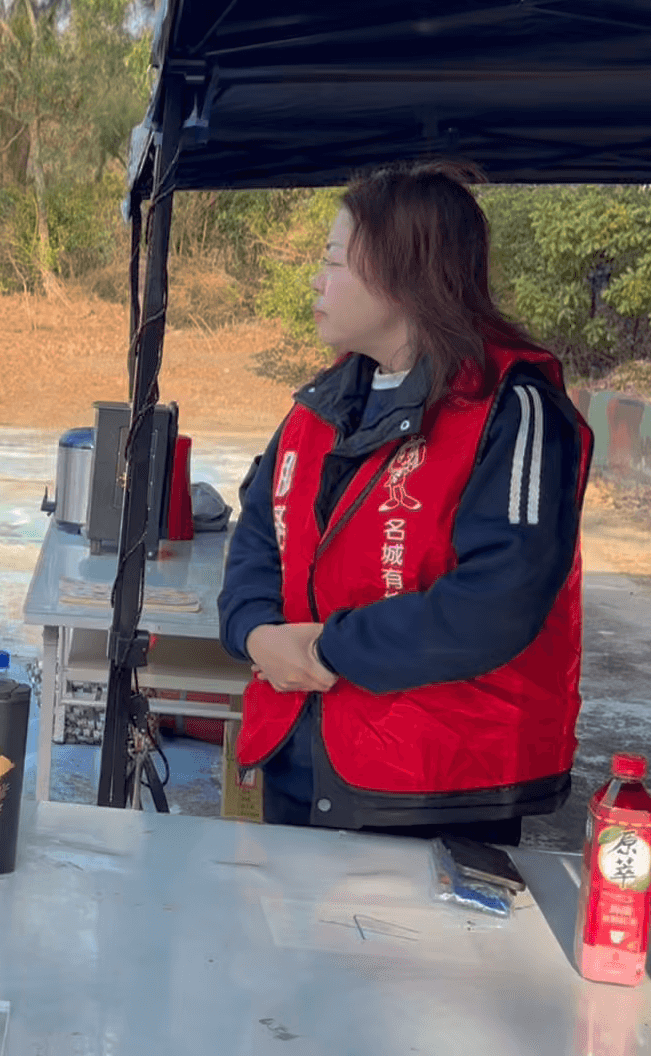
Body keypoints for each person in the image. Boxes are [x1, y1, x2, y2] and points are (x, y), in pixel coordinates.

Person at [218, 162, 593, 847]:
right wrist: (253, 632)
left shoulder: (513, 407)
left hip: (434, 787)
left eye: (333, 260)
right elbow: (261, 537)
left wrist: (329, 648)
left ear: (401, 273)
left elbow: (496, 601)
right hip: (299, 755)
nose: (316, 280)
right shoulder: (321, 403)